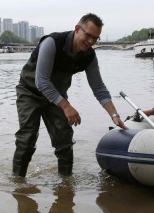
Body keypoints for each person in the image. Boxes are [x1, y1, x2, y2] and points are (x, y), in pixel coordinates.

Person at [12, 13, 127, 177]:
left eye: (96, 38)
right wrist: (66, 106)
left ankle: (66, 185)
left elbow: (99, 88)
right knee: (27, 138)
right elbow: (42, 82)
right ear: (77, 29)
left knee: (64, 139)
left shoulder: (89, 56)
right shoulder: (52, 43)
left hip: (56, 96)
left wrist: (114, 115)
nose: (91, 42)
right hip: (30, 92)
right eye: (88, 35)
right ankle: (18, 182)